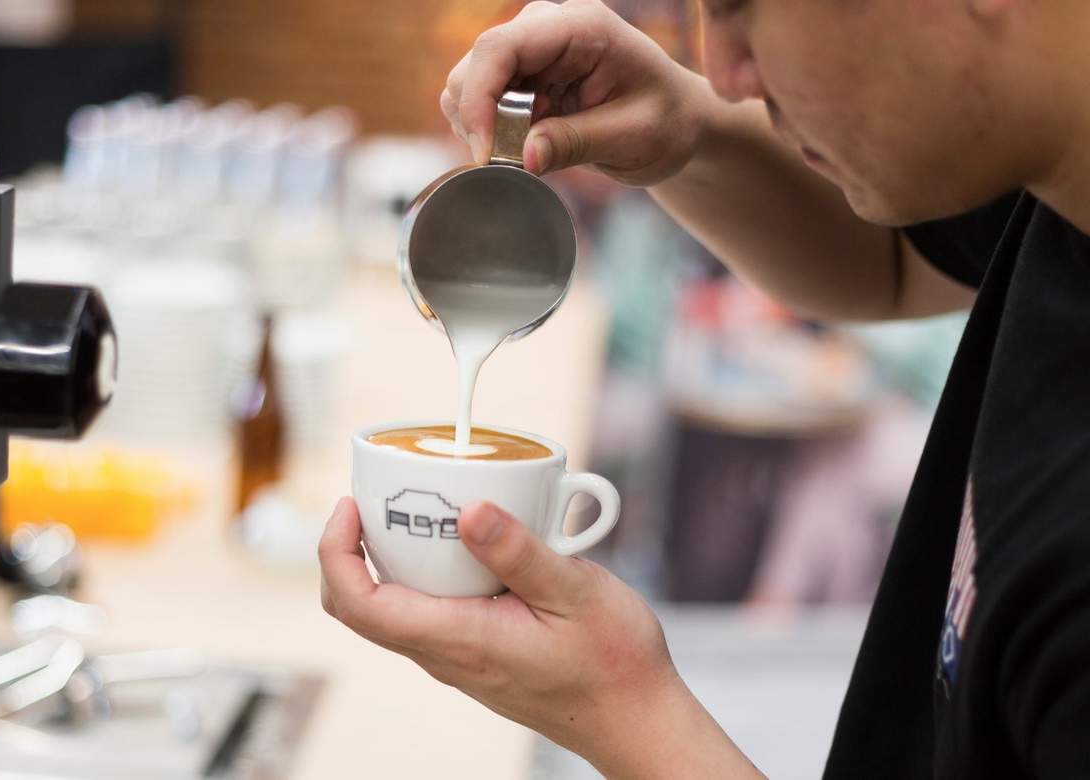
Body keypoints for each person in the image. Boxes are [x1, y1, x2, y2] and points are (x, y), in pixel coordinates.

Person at [319, 0, 1090, 775]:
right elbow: (897, 261)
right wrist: (687, 133)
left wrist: (625, 713)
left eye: (739, 9)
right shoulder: (1057, 179)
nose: (723, 72)